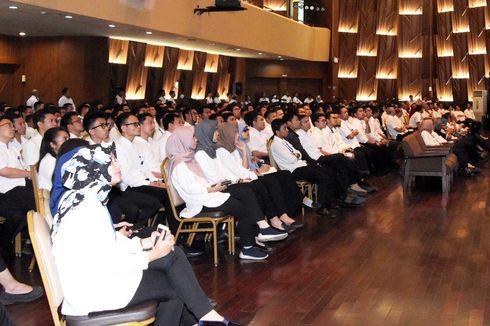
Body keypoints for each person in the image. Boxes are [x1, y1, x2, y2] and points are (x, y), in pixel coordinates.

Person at [50, 141, 237, 325]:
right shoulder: (87, 208)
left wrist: (144, 243)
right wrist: (153, 254)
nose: (118, 165)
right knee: (173, 285)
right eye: (110, 161)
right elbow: (108, 262)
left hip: (93, 281)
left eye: (116, 160)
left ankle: (206, 318)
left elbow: (109, 243)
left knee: (172, 262)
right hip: (93, 291)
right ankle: (206, 318)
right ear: (91, 168)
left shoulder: (83, 198)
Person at [168, 126, 276, 260]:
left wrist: (214, 187)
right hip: (199, 202)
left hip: (208, 195)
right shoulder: (179, 164)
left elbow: (200, 182)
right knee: (242, 205)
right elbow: (191, 189)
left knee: (245, 196)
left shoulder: (188, 158)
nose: (196, 140)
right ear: (183, 141)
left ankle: (253, 240)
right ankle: (250, 243)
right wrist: (212, 188)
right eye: (193, 137)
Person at [0, 116, 36, 253]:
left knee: (22, 215)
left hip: (18, 195)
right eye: (8, 125)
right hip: (4, 195)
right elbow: (4, 171)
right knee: (27, 195)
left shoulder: (14, 148)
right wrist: (29, 174)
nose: (13, 128)